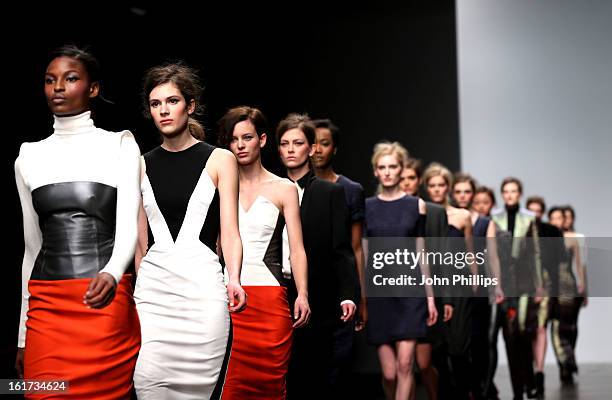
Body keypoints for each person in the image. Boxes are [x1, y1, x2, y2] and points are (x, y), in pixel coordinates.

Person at [15, 45, 141, 398]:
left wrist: (114, 273)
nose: (58, 87)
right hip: (47, 310)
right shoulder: (28, 155)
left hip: (101, 300)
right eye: (50, 80)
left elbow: (128, 225)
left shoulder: (119, 144)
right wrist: (22, 336)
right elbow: (31, 248)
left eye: (70, 79)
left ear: (93, 88)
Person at [134, 63, 246, 399]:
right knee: (147, 384)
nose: (164, 110)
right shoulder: (139, 164)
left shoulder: (221, 160)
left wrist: (234, 278)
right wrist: (140, 289)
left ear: (190, 105)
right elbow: (140, 242)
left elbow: (230, 231)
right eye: (156, 104)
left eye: (172, 101)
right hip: (153, 296)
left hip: (203, 294)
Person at [218, 106, 310, 399]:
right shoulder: (219, 187)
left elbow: (297, 248)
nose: (240, 145)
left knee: (270, 386)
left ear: (263, 140)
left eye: (247, 137)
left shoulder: (283, 189)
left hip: (270, 300)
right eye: (234, 139)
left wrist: (303, 294)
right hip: (226, 297)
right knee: (230, 386)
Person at [276, 113, 357, 399]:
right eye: (284, 143)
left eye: (297, 143)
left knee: (316, 373)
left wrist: (348, 294)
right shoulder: (269, 190)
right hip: (276, 290)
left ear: (311, 149)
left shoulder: (330, 193)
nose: (290, 149)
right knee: (282, 373)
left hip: (319, 294)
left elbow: (341, 248)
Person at [366, 142, 437, 400]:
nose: (387, 172)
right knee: (389, 374)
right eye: (382, 167)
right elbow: (364, 256)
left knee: (406, 366)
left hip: (410, 294)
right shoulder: (367, 207)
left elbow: (422, 253)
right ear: (375, 171)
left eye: (392, 166)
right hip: (380, 295)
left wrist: (430, 298)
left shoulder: (416, 205)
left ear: (401, 169)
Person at [312, 118, 366, 386]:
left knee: (338, 367)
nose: (318, 150)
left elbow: (356, 247)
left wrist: (362, 298)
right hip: (305, 287)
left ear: (335, 148)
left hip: (340, 289)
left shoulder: (350, 190)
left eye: (325, 143)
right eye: (314, 143)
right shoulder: (289, 187)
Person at [424, 163, 475, 400]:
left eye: (441, 184)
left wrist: (474, 279)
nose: (437, 189)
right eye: (432, 185)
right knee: (438, 347)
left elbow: (469, 251)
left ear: (448, 187)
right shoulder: (422, 214)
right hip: (434, 283)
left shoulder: (462, 215)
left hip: (459, 283)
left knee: (460, 345)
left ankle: (464, 392)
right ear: (427, 187)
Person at [402, 157, 451, 400]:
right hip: (398, 293)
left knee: (424, 363)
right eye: (403, 178)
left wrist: (447, 299)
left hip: (428, 295)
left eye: (411, 178)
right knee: (403, 364)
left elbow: (444, 258)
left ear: (419, 181)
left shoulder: (435, 212)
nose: (407, 183)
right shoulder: (385, 211)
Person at [491, 177, 543, 400]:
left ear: (520, 193)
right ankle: (518, 390)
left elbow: (536, 253)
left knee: (522, 333)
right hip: (504, 282)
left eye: (514, 191)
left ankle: (529, 380)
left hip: (524, 283)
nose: (510, 195)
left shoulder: (529, 219)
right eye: (506, 191)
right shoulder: (494, 218)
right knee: (511, 337)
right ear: (502, 194)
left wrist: (540, 284)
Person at [453, 174, 504, 400]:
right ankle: (469, 387)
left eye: (466, 191)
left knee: (479, 339)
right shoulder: (448, 218)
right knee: (458, 343)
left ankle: (481, 387)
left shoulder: (484, 223)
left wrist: (497, 284)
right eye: (458, 191)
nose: (463, 195)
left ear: (473, 194)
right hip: (454, 284)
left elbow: (492, 256)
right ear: (453, 194)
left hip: (479, 286)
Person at [548, 206, 586, 385]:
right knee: (556, 325)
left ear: (565, 220)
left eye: (559, 218)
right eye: (553, 218)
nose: (556, 222)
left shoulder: (572, 239)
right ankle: (565, 362)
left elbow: (579, 264)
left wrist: (583, 286)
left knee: (567, 325)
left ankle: (568, 360)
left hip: (567, 284)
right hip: (549, 285)